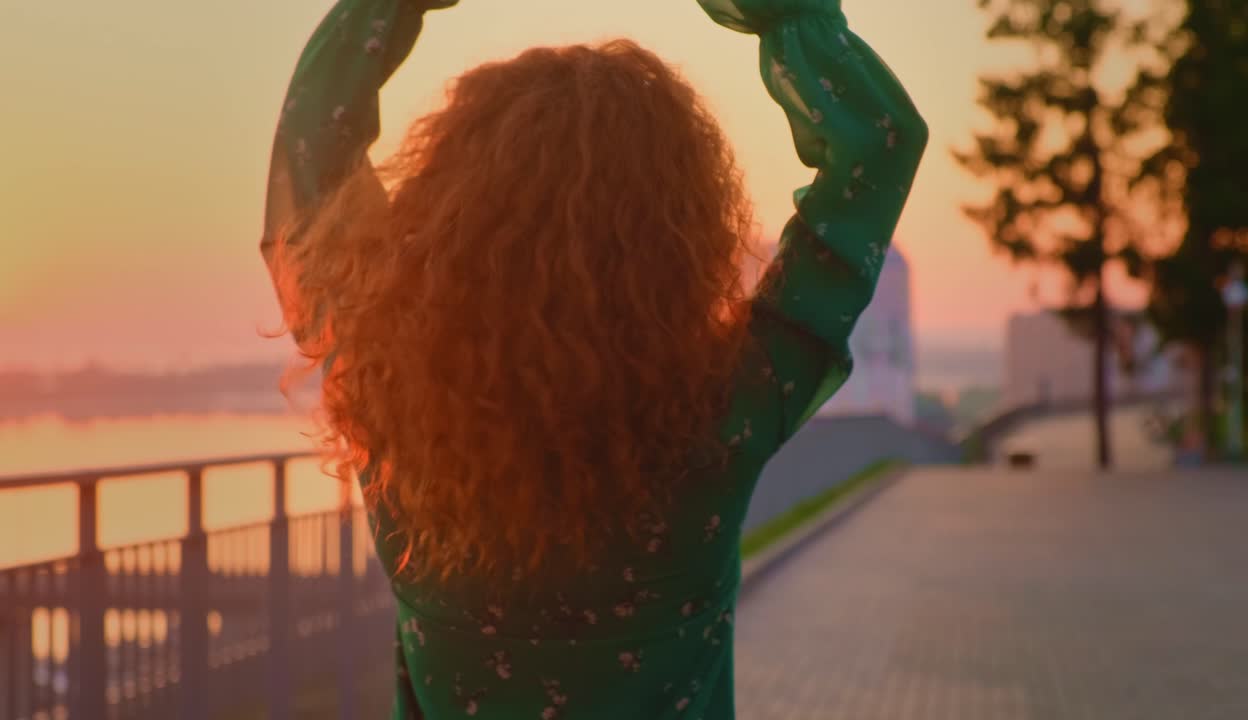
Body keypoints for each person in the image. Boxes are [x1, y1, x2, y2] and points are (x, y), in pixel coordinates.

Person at [260, 0, 927, 717]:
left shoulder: (392, 401)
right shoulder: (729, 408)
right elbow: (878, 147)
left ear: (444, 219)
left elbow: (312, 159)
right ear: (678, 235)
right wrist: (782, 18)